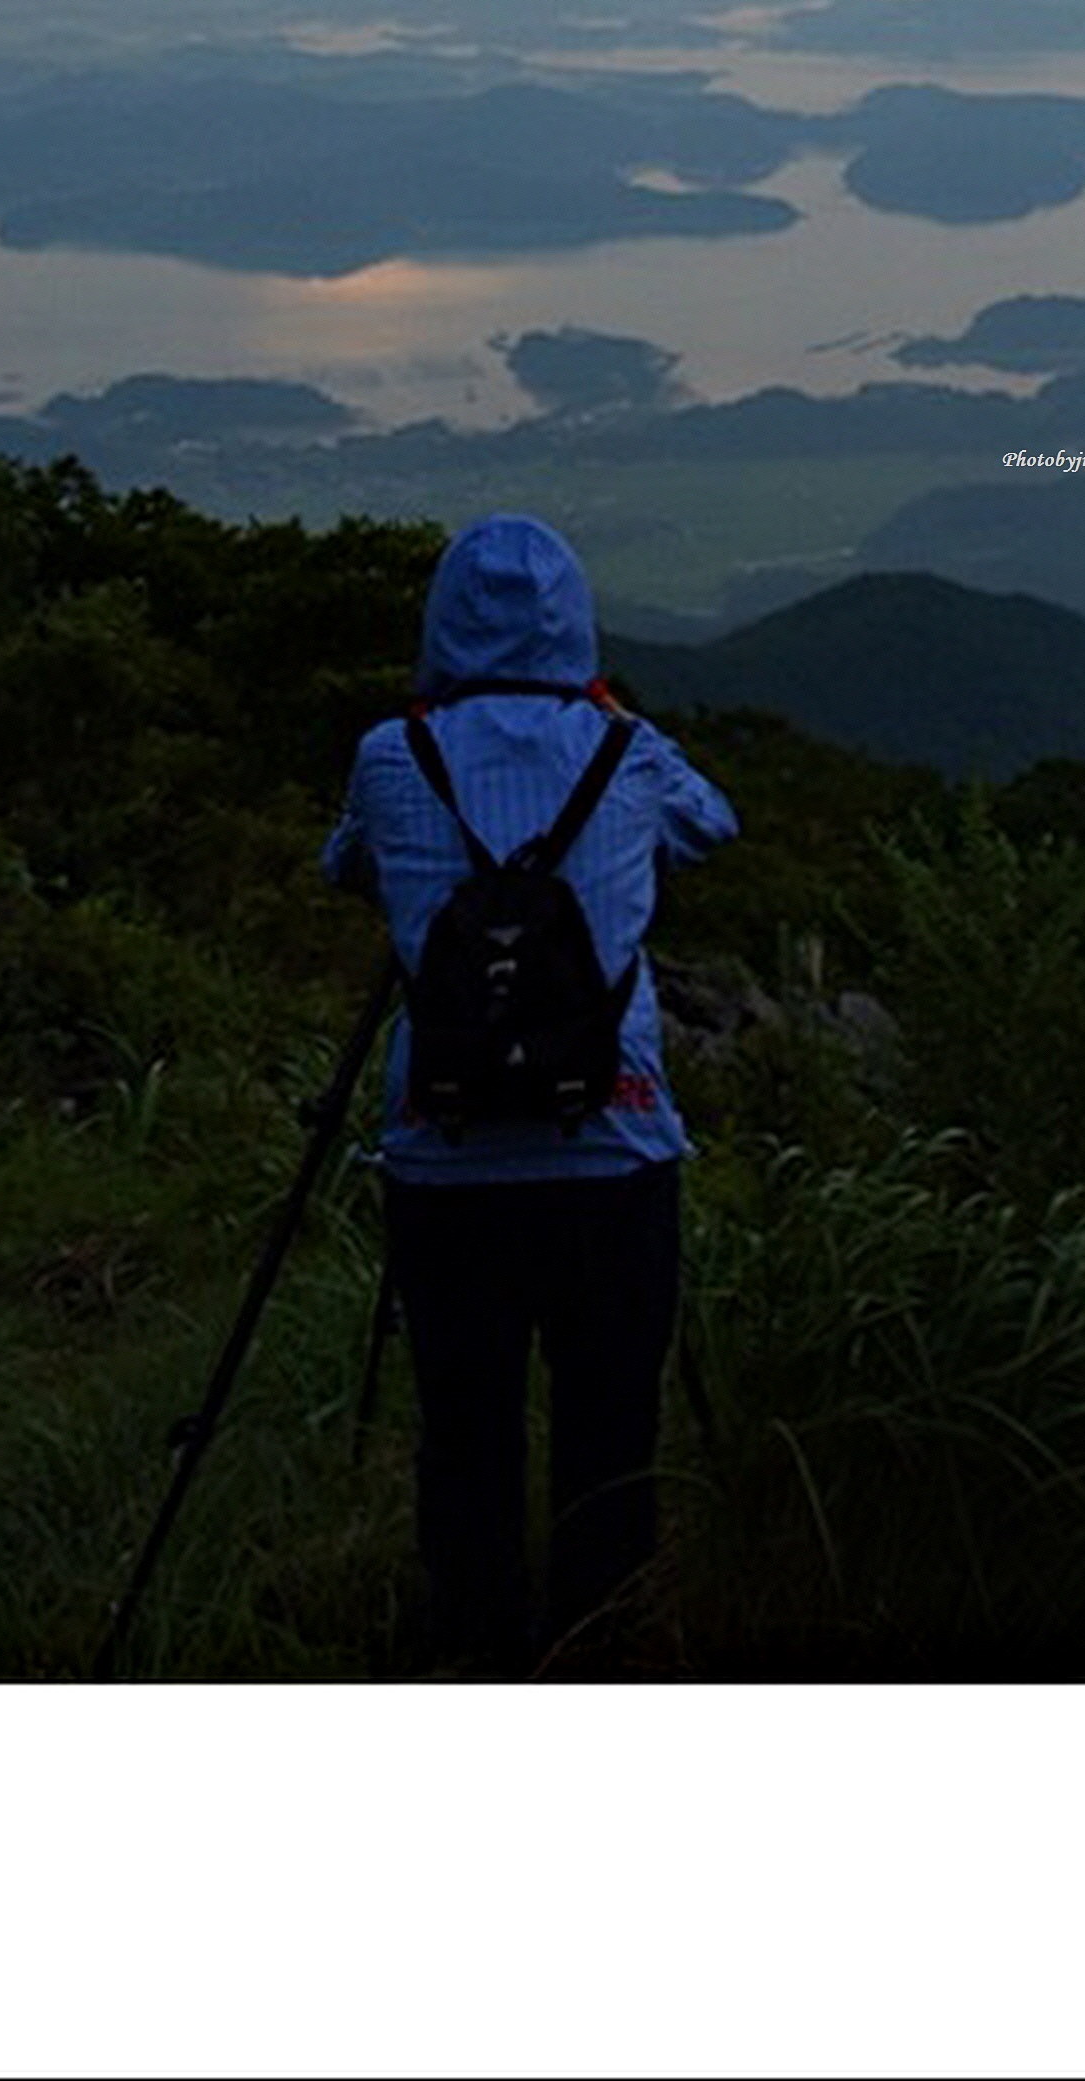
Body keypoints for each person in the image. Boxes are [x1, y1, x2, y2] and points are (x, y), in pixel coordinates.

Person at [325, 511, 737, 1670]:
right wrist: (608, 717)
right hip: (614, 1152)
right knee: (612, 1436)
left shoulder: (391, 756)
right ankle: (598, 1658)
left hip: (443, 1156)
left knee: (466, 1437)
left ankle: (476, 1658)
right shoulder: (630, 752)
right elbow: (714, 825)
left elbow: (343, 864)